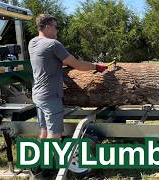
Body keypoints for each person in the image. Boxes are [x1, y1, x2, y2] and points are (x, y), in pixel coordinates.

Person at [28, 14, 108, 177]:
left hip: (38, 95)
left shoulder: (33, 43)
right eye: (56, 27)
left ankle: (36, 166)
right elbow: (76, 63)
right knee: (54, 135)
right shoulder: (53, 44)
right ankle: (48, 169)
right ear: (48, 27)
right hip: (51, 97)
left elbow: (51, 62)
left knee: (43, 132)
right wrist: (96, 66)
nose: (57, 30)